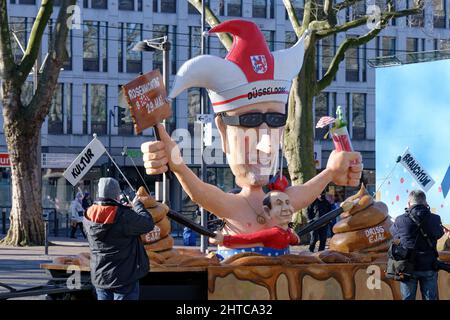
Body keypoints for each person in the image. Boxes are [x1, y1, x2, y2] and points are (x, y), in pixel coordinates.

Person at [141, 19, 363, 258]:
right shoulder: (236, 205)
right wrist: (177, 165)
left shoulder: (279, 201)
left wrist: (330, 172)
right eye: (250, 124)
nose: (266, 144)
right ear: (224, 133)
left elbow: (303, 192)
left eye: (276, 123)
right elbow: (200, 193)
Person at [83, 178, 155, 300]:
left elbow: (105, 221)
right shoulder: (123, 215)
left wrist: (121, 208)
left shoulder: (88, 213)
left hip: (100, 276)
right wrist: (137, 205)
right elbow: (147, 223)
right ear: (117, 195)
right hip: (124, 276)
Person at [210, 191, 299, 259]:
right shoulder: (274, 233)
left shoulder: (285, 233)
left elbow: (293, 240)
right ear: (267, 211)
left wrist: (296, 238)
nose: (286, 208)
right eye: (279, 204)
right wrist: (224, 239)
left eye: (288, 203)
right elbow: (249, 238)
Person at [390, 190, 444, 300]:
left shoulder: (400, 220)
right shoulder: (435, 218)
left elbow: (395, 236)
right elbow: (439, 234)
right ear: (425, 203)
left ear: (409, 204)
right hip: (429, 265)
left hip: (408, 267)